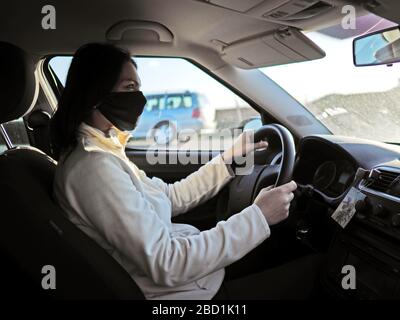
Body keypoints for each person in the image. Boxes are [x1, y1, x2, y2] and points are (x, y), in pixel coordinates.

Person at [51, 43, 320, 300]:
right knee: (317, 269)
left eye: (139, 87)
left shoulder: (105, 150)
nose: (139, 98)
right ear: (95, 92)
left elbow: (170, 197)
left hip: (193, 279)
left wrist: (227, 161)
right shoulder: (94, 167)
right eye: (129, 86)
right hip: (184, 295)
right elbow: (168, 263)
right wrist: (259, 216)